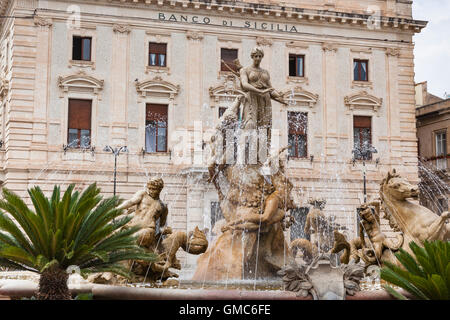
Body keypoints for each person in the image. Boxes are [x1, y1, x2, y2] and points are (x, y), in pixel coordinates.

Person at [118, 177, 169, 249]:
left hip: (147, 230)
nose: (151, 191)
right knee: (112, 234)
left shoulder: (163, 206)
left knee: (134, 238)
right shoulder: (143, 194)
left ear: (160, 189)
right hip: (131, 226)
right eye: (149, 188)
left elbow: (162, 225)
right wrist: (116, 209)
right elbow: (131, 202)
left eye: (153, 189)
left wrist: (165, 229)